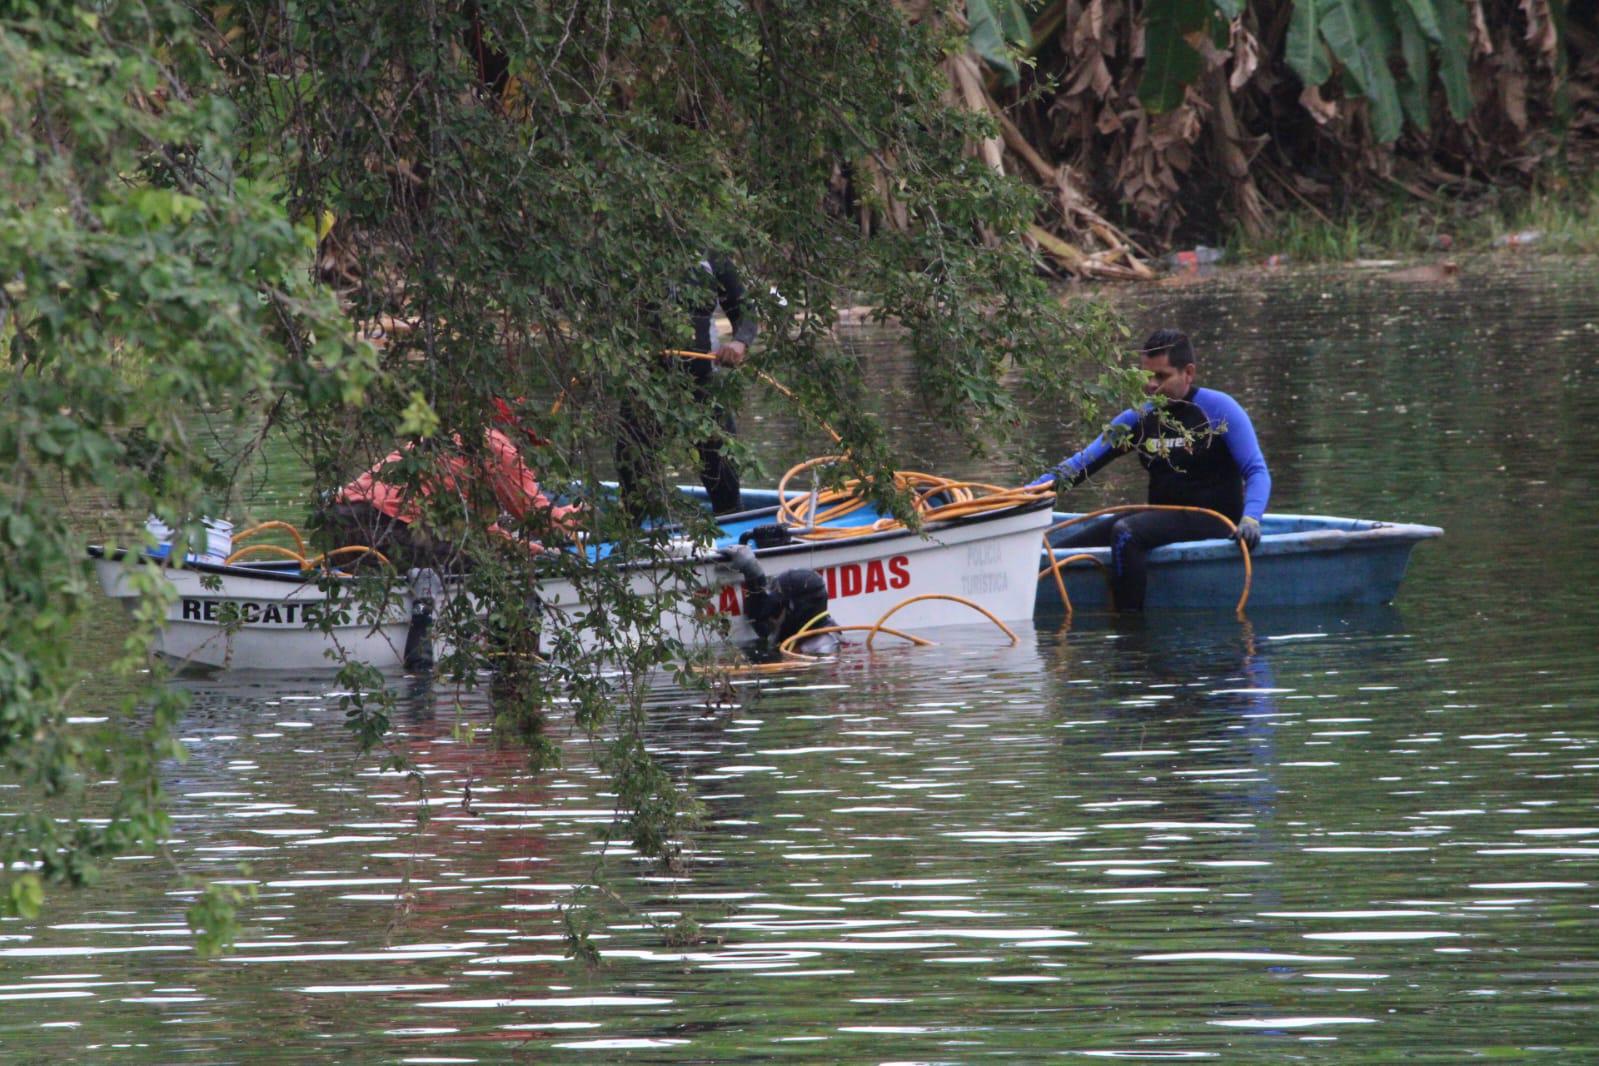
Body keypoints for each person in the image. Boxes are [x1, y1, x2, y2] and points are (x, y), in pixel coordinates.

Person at [1029, 328, 1270, 610]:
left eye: (1162, 376)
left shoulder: (1219, 409)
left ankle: (1130, 635)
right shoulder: (1140, 417)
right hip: (1161, 519)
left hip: (1216, 521)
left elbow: (1256, 472)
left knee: (1126, 532)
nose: (1152, 385)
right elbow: (1081, 464)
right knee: (1060, 549)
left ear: (1188, 373)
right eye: (1147, 377)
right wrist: (1021, 496)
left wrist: (1251, 519)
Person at [616, 253, 759, 519]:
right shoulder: (628, 250)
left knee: (722, 471)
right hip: (645, 384)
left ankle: (731, 531)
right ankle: (629, 538)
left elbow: (746, 312)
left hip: (703, 382)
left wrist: (740, 342)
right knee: (632, 470)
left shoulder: (712, 257)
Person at [323, 426, 581, 572]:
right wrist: (581, 517)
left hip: (336, 527)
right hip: (380, 531)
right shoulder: (497, 448)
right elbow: (537, 519)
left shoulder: (453, 434)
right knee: (491, 567)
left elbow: (470, 525)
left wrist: (512, 545)